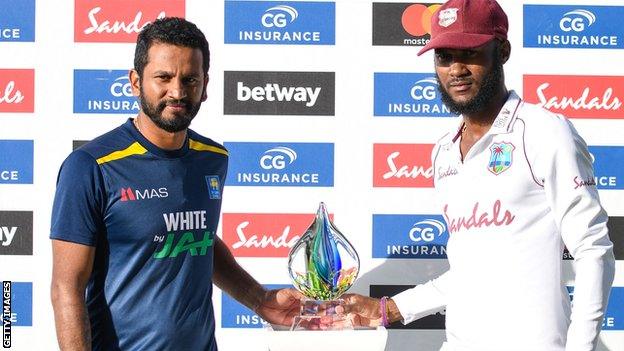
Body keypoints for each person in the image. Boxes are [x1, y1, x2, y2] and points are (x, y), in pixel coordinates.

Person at [341, 0, 615, 350]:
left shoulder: (545, 131)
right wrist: (390, 308)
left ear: (502, 50)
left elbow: (593, 250)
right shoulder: (443, 151)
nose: (456, 69)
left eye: (469, 53)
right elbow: (474, 272)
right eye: (444, 57)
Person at [50, 17, 302, 350]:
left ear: (206, 85)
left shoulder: (213, 158)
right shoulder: (90, 166)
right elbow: (66, 288)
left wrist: (260, 299)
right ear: (135, 82)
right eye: (163, 78)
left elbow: (199, 241)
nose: (177, 92)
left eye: (190, 79)